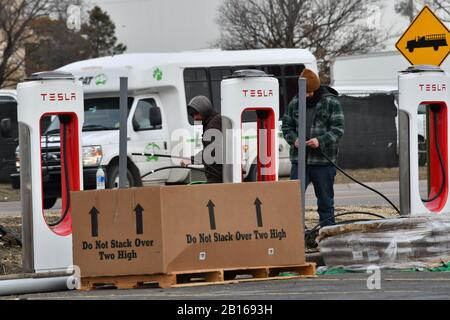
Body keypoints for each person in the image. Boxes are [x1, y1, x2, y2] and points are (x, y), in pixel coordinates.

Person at [282, 69, 344, 227]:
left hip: (323, 162)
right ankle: (296, 234)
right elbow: (287, 126)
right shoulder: (295, 102)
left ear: (316, 89)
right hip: (299, 162)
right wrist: (294, 140)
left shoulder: (332, 103)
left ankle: (327, 233)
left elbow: (338, 130)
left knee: (325, 202)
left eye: (310, 92)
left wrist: (320, 141)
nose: (307, 95)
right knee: (292, 202)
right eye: (305, 91)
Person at [182, 95, 223, 183]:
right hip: (217, 174)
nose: (195, 118)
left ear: (205, 110)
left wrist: (192, 160)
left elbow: (212, 151)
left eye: (197, 113)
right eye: (193, 115)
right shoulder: (211, 122)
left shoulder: (213, 124)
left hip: (218, 176)